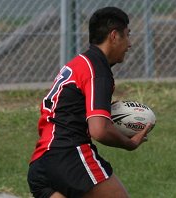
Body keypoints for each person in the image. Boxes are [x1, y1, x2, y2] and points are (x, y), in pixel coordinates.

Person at [27, 6, 151, 198]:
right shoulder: (97, 71)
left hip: (41, 163)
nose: (130, 43)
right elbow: (99, 130)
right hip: (69, 156)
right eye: (127, 35)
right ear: (114, 36)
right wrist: (129, 143)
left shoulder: (79, 63)